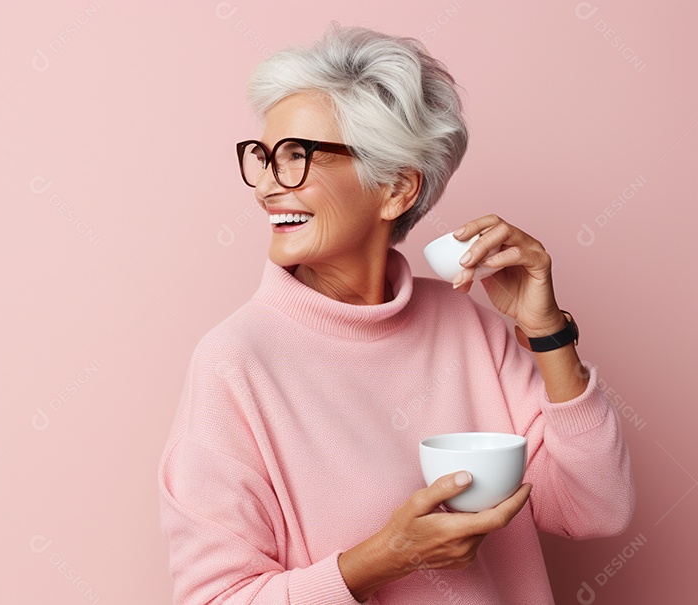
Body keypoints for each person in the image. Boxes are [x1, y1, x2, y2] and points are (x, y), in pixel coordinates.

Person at [157, 22, 634, 604]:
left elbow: (597, 508)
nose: (267, 188)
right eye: (263, 158)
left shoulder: (470, 327)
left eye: (297, 157)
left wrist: (546, 331)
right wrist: (381, 561)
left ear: (396, 189)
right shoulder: (234, 363)